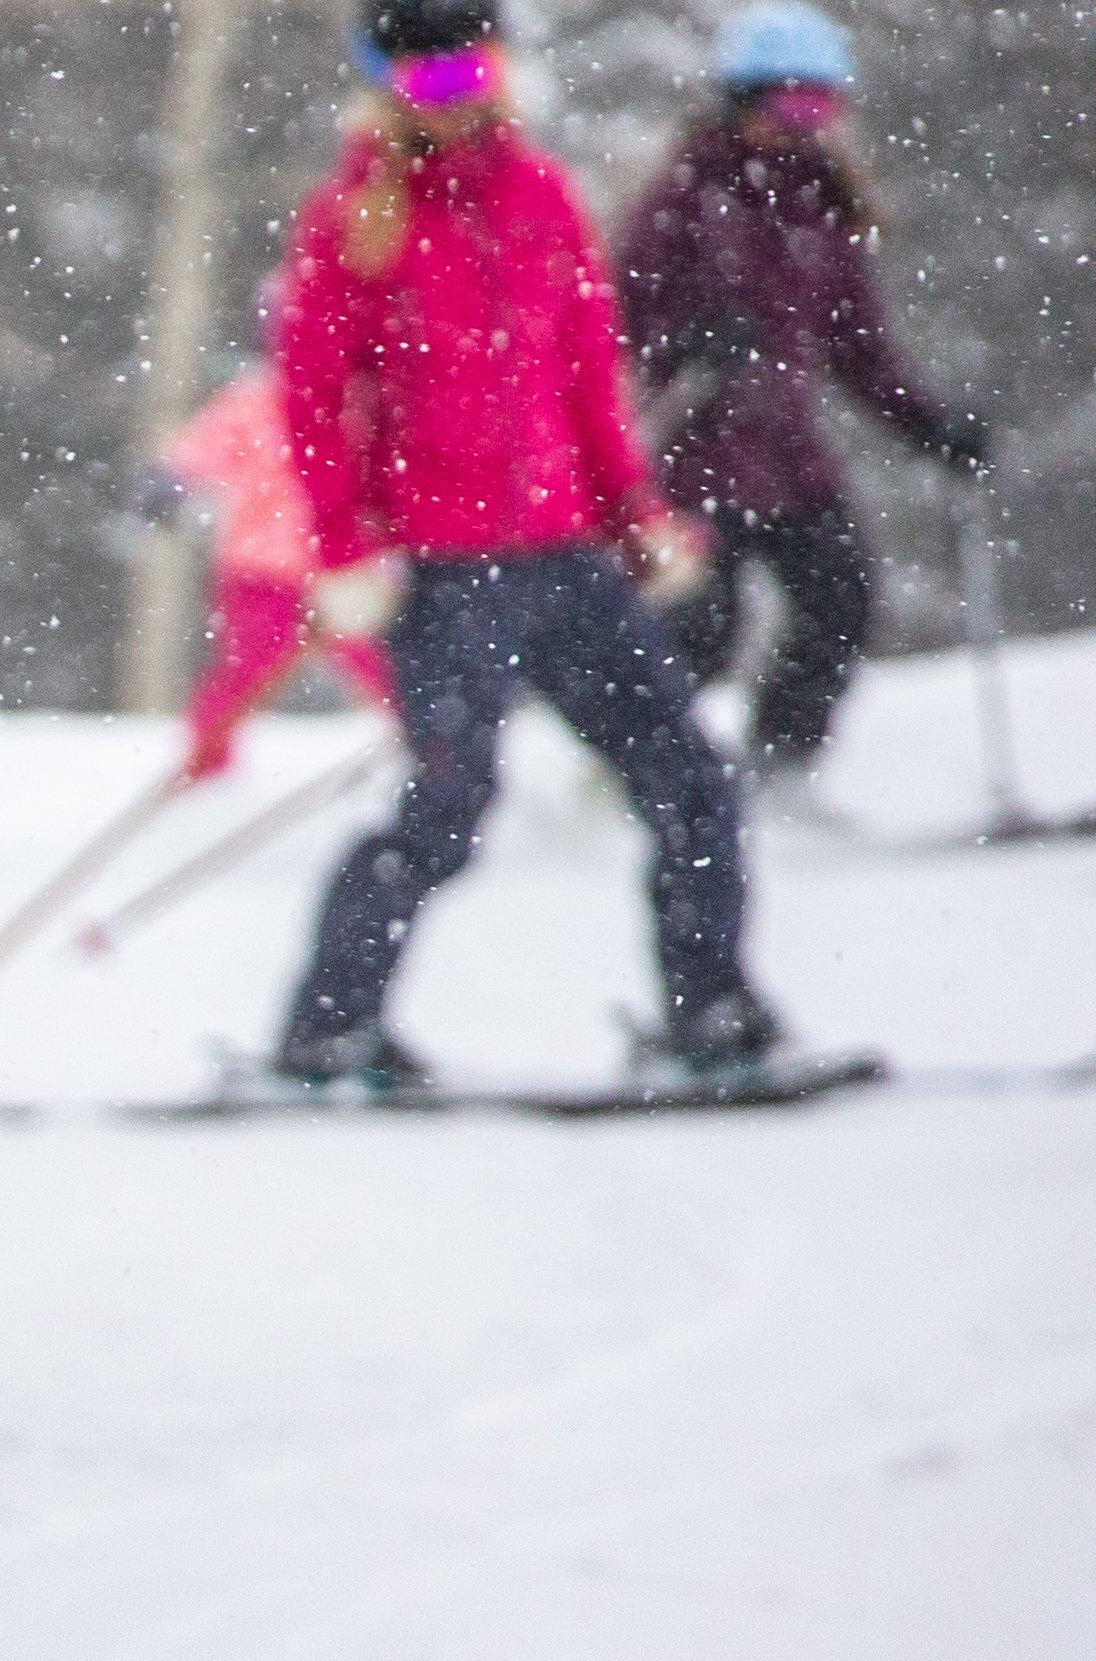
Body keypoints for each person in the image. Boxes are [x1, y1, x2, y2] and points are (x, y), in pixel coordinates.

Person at [266, 0, 778, 1092]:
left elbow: (590, 373)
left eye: (479, 70)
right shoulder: (354, 217)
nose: (464, 97)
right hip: (443, 578)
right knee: (447, 807)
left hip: (565, 558)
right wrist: (345, 550)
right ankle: (326, 1031)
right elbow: (314, 403)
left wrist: (633, 511)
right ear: (389, 85)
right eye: (434, 81)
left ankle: (713, 1010)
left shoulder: (540, 195)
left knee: (692, 782)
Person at [614, 0, 989, 791]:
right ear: (742, 99)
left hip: (790, 461)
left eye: (820, 104)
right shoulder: (684, 197)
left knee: (841, 600)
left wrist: (925, 423)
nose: (804, 122)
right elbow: (620, 315)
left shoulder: (822, 206)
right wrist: (685, 342)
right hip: (696, 461)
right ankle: (643, 774)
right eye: (789, 101)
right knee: (702, 629)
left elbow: (858, 347)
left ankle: (782, 769)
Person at [140, 345, 397, 782]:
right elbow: (204, 449)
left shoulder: (363, 396)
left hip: (339, 563)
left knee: (380, 659)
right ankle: (207, 758)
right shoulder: (258, 398)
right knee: (249, 664)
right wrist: (170, 480)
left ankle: (430, 744)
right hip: (267, 565)